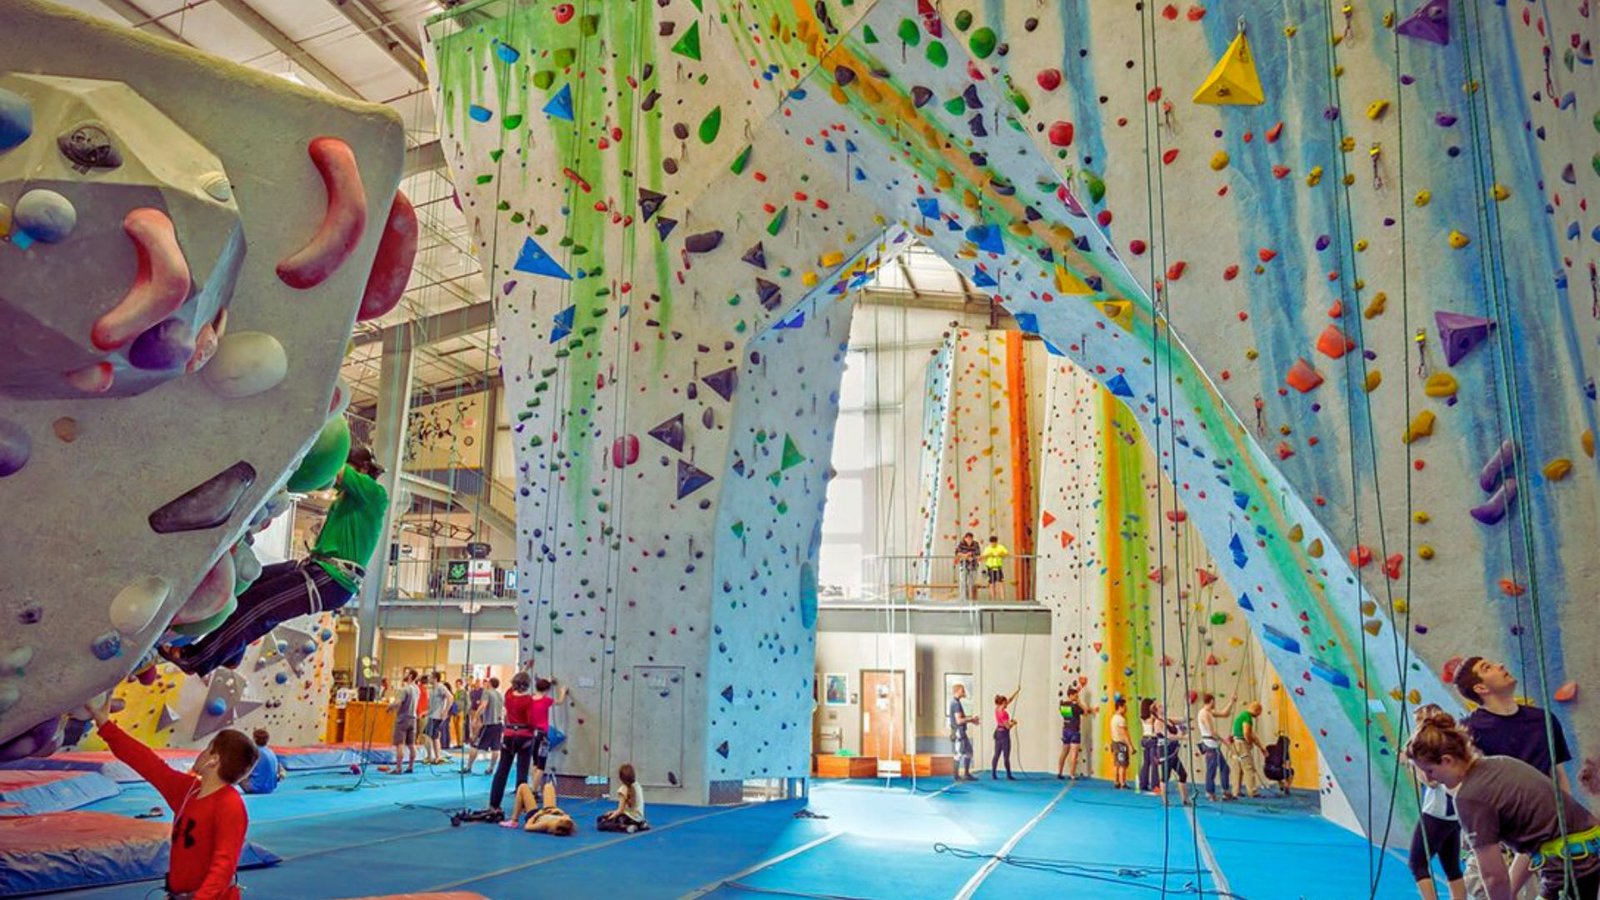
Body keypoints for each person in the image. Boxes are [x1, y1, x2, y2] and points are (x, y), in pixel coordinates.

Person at [163, 445, 388, 677]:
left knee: (260, 606)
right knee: (251, 586)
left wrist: (305, 442)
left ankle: (197, 659)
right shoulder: (351, 499)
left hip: (331, 579)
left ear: (361, 469)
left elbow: (331, 464)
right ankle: (232, 651)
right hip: (318, 570)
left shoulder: (374, 494)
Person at [1405, 708, 1600, 900]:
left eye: (1430, 771)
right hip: (1587, 854)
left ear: (1447, 760)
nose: (1432, 779)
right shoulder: (1499, 763)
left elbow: (1494, 877)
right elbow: (1535, 843)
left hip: (1574, 867)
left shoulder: (1469, 796)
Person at [82, 693, 257, 900]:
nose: (201, 753)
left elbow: (224, 865)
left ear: (214, 760)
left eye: (207, 748)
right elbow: (147, 762)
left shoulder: (229, 804)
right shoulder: (188, 790)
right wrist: (105, 725)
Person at [1454, 656, 1577, 897]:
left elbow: (1558, 775)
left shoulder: (1543, 720)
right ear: (1480, 688)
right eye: (1487, 668)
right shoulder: (1470, 731)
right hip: (1501, 836)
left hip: (1546, 829)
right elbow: (1469, 790)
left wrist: (1563, 818)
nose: (1500, 665)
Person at [1404, 705, 1467, 900]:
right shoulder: (1452, 745)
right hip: (1453, 814)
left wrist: (1412, 763)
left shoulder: (1432, 750)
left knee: (1417, 863)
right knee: (1451, 865)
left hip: (1437, 812)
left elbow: (1430, 781)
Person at [489, 672, 539, 815]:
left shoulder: (508, 696)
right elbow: (531, 721)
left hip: (509, 736)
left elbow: (512, 686)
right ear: (527, 686)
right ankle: (522, 806)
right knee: (522, 773)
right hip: (524, 736)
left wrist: (525, 668)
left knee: (502, 771)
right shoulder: (528, 700)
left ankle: (494, 804)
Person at [527, 676, 569, 791]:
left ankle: (534, 786)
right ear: (547, 690)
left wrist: (547, 682)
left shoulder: (530, 699)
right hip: (542, 736)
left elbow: (542, 689)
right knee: (541, 765)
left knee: (535, 762)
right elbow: (560, 702)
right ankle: (534, 790)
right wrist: (563, 692)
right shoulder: (546, 701)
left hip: (531, 734)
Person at [505, 777, 575, 835]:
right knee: (549, 786)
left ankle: (514, 820)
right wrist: (559, 811)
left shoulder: (545, 824)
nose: (566, 817)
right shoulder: (566, 821)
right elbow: (566, 816)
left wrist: (538, 814)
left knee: (522, 786)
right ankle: (533, 794)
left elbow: (528, 827)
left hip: (536, 816)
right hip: (550, 812)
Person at [1197, 694, 1234, 802]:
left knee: (1225, 768)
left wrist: (1231, 702)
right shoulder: (1204, 714)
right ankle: (1210, 793)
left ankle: (1226, 791)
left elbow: (1224, 714)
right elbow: (1212, 732)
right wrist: (1224, 741)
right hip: (1210, 745)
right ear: (1212, 701)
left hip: (1213, 745)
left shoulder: (1209, 712)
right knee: (1211, 770)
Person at [463, 676, 503, 775]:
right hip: (498, 724)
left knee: (474, 745)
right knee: (496, 748)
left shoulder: (487, 692)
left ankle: (468, 767)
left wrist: (475, 718)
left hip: (488, 724)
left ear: (490, 684)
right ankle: (491, 768)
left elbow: (483, 706)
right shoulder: (499, 694)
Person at [1152, 701, 1191, 805]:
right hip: (1165, 753)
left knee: (1183, 774)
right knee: (1166, 777)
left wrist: (1187, 704)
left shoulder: (1169, 720)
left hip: (1173, 752)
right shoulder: (1158, 722)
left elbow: (1184, 720)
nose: (1162, 706)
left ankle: (1185, 799)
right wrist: (1182, 736)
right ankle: (1165, 801)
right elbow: (1168, 735)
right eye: (1160, 706)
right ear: (1156, 711)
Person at [1056, 685, 1097, 780]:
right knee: (1074, 753)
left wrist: (1090, 709)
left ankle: (1060, 772)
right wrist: (1080, 703)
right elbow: (1085, 712)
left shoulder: (1062, 704)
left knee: (1064, 752)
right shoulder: (1075, 706)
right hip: (1074, 731)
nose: (1077, 697)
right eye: (1076, 696)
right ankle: (1072, 774)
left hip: (1066, 730)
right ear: (1071, 695)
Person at [596, 764, 649, 833]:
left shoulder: (623, 789)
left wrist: (609, 817)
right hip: (639, 817)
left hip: (628, 817)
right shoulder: (637, 785)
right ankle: (640, 824)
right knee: (614, 817)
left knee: (601, 822)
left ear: (621, 777)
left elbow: (620, 810)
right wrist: (612, 812)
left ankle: (626, 827)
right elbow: (626, 809)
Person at [1229, 700, 1266, 798]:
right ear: (1256, 710)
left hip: (1235, 744)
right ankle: (1252, 792)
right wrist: (1249, 743)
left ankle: (1235, 791)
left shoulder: (1241, 716)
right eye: (1259, 713)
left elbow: (1252, 734)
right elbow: (1247, 733)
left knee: (1237, 768)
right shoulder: (1247, 718)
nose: (1258, 715)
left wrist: (1261, 747)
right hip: (1242, 744)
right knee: (1248, 767)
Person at [388, 669, 419, 775]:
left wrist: (390, 707)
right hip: (413, 719)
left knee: (399, 744)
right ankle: (410, 767)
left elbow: (398, 702)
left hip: (403, 718)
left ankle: (398, 768)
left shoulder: (405, 689)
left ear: (410, 676)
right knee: (411, 744)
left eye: (406, 673)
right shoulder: (417, 689)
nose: (404, 675)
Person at [948, 683, 980, 781]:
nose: (964, 692)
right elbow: (959, 720)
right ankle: (956, 776)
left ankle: (966, 774)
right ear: (957, 691)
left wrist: (972, 720)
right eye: (962, 690)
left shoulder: (956, 702)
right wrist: (971, 719)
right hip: (958, 732)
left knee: (969, 752)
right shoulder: (955, 703)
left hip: (962, 732)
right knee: (958, 753)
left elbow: (961, 718)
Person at [242, 728, 284, 795]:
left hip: (256, 788)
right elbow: (280, 772)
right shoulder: (271, 753)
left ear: (254, 739)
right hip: (271, 788)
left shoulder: (253, 753)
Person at [991, 689, 1019, 780]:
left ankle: (994, 774)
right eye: (1006, 703)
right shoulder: (1004, 713)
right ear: (1003, 703)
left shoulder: (997, 709)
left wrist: (1016, 691)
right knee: (1006, 756)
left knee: (996, 754)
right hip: (1004, 735)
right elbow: (1007, 727)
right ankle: (1008, 775)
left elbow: (1009, 700)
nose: (1007, 704)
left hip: (997, 733)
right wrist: (1013, 723)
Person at [424, 673, 452, 765]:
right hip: (432, 715)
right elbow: (431, 705)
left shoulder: (441, 687)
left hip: (436, 716)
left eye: (430, 677)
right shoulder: (432, 689)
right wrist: (426, 712)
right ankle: (436, 757)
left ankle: (432, 757)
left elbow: (450, 697)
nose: (428, 679)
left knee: (429, 736)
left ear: (435, 678)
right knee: (434, 737)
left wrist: (445, 711)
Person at [1138, 698, 1160, 793]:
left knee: (1146, 763)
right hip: (1152, 739)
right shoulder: (1153, 717)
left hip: (1144, 739)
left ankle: (1143, 784)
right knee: (1154, 763)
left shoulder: (1142, 717)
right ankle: (1155, 785)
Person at [1110, 698, 1132, 790]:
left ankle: (1116, 782)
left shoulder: (1113, 718)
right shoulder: (1121, 720)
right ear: (1120, 707)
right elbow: (1125, 734)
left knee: (1117, 764)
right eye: (1124, 706)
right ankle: (1123, 783)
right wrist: (1130, 746)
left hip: (1115, 742)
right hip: (1121, 744)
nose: (1126, 708)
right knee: (1123, 764)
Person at [980, 535, 1009, 600]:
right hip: (990, 567)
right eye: (992, 543)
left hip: (998, 567)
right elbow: (982, 557)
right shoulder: (987, 548)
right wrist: (988, 555)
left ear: (996, 542)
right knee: (992, 583)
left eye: (994, 543)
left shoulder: (1000, 547)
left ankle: (1002, 598)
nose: (993, 544)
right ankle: (993, 598)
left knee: (1001, 582)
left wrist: (1000, 554)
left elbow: (1007, 554)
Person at [955, 532, 981, 601]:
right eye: (968, 538)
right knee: (963, 582)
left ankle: (972, 599)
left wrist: (972, 556)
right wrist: (966, 556)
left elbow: (978, 554)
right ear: (965, 538)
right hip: (964, 565)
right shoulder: (961, 543)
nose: (969, 540)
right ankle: (964, 599)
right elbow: (958, 553)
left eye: (971, 539)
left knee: (972, 583)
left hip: (973, 565)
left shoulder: (976, 544)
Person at [452, 679, 468, 751]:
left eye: (458, 684)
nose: (456, 685)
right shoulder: (456, 692)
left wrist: (465, 712)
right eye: (456, 684)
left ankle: (461, 743)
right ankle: (458, 743)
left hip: (461, 711)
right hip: (455, 711)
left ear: (461, 684)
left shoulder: (464, 692)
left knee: (460, 727)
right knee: (456, 727)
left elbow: (468, 703)